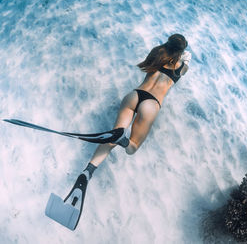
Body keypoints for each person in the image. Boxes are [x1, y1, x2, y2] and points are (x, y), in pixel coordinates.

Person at [82, 34, 192, 179]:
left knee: (111, 139)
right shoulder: (182, 67)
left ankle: (88, 171)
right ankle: (123, 139)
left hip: (134, 95)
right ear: (181, 51)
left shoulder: (157, 54)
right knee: (132, 147)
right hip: (151, 104)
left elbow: (154, 61)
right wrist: (183, 60)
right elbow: (182, 69)